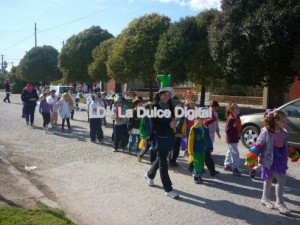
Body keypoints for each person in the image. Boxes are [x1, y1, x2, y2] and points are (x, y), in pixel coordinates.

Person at [245, 110, 299, 215]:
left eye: (285, 121)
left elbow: (286, 145)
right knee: (268, 178)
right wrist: (252, 157)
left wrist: (292, 153)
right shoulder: (266, 132)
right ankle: (265, 198)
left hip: (280, 158)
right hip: (269, 158)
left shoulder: (284, 132)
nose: (285, 123)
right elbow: (259, 145)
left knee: (281, 179)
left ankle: (279, 202)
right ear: (275, 121)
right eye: (283, 121)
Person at [144, 87, 179, 199]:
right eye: (164, 94)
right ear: (159, 95)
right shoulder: (153, 107)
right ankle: (168, 189)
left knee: (161, 158)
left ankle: (149, 175)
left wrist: (174, 123)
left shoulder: (170, 106)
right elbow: (153, 125)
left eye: (168, 95)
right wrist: (168, 125)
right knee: (163, 163)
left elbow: (172, 119)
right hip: (159, 137)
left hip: (168, 137)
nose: (166, 97)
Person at [188, 117, 213, 184]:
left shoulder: (205, 128)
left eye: (203, 119)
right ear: (196, 119)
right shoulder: (193, 129)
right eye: (200, 119)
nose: (202, 120)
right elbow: (190, 141)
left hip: (203, 149)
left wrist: (210, 147)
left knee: (201, 162)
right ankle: (196, 177)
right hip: (196, 149)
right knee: (197, 163)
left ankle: (199, 176)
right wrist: (190, 151)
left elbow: (207, 138)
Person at [223, 102, 242, 176]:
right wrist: (236, 132)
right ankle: (235, 168)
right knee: (235, 154)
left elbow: (237, 127)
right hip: (231, 139)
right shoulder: (230, 119)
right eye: (236, 108)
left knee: (230, 152)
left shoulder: (236, 118)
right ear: (232, 110)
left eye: (238, 107)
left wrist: (239, 133)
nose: (238, 109)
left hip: (234, 138)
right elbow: (227, 130)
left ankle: (227, 165)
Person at [203, 100, 221, 176]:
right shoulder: (206, 112)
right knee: (207, 148)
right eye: (214, 108)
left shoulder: (216, 114)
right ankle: (207, 159)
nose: (215, 110)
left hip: (212, 132)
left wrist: (218, 132)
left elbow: (216, 124)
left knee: (210, 147)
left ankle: (208, 157)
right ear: (211, 107)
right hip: (207, 132)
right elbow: (204, 122)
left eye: (216, 108)